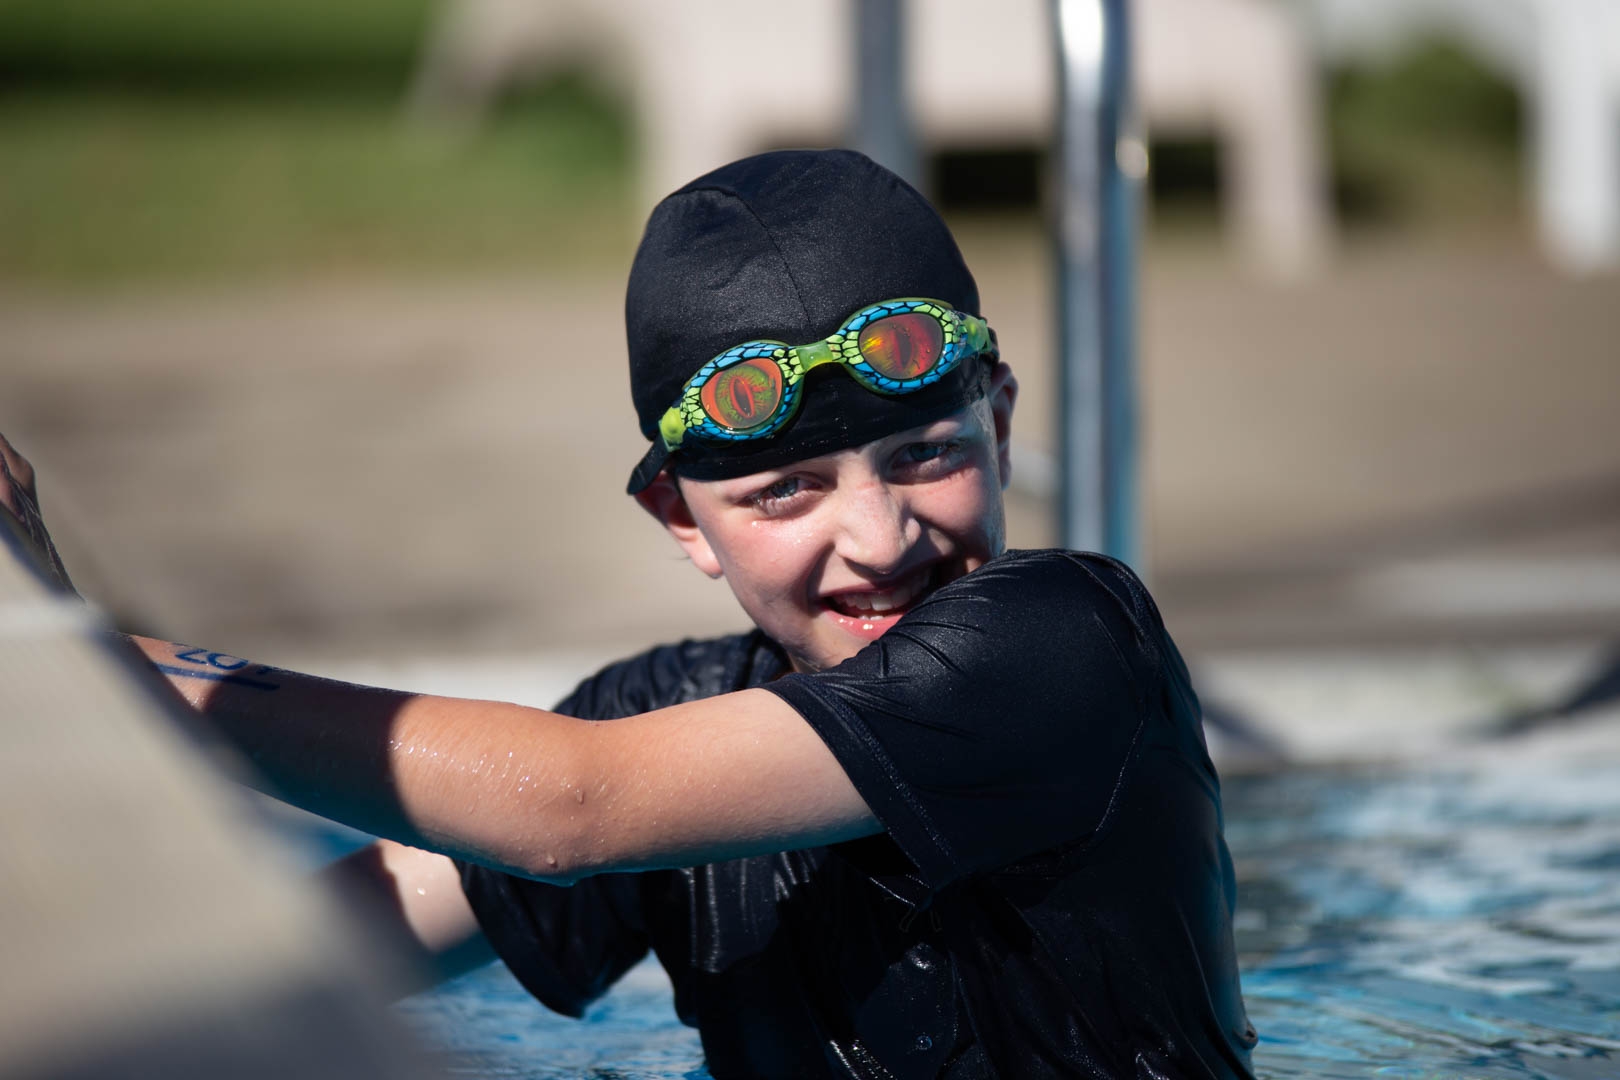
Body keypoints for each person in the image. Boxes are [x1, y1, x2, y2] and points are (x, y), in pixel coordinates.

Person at [0, 150, 1256, 1079]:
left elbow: (566, 808)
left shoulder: (1068, 647)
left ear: (1003, 425)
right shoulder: (661, 718)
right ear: (678, 519)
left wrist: (79, 657)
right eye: (786, 492)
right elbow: (306, 955)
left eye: (927, 453)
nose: (878, 537)